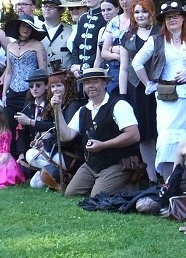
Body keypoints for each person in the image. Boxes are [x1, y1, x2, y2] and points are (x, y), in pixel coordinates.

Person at [131, 1, 186, 180]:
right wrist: (149, 83)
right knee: (167, 138)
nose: (172, 20)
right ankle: (168, 183)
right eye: (168, 17)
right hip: (166, 97)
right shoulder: (156, 41)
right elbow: (136, 63)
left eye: (176, 16)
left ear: (183, 18)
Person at [54, 67, 142, 198]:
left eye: (95, 81)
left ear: (105, 83)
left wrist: (103, 145)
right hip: (92, 164)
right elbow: (66, 136)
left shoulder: (119, 105)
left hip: (117, 163)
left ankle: (130, 187)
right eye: (87, 83)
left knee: (96, 197)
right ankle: (104, 185)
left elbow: (134, 135)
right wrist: (57, 109)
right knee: (70, 193)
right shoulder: (83, 110)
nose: (91, 86)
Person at [117, 0, 160, 179]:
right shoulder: (127, 37)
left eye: (144, 11)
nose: (140, 15)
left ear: (151, 12)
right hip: (136, 89)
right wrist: (122, 95)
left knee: (160, 130)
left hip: (160, 86)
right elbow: (124, 68)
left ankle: (165, 175)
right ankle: (151, 178)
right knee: (143, 133)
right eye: (137, 12)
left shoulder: (161, 32)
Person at [26, 69, 84, 189]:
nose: (55, 89)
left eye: (59, 85)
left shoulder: (73, 106)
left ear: (67, 87)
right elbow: (54, 129)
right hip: (59, 152)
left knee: (30, 154)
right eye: (52, 86)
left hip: (71, 156)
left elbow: (67, 140)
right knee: (35, 184)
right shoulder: (59, 104)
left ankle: (64, 176)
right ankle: (58, 176)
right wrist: (43, 142)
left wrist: (46, 144)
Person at [0, 14, 48, 130]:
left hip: (30, 91)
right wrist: (4, 94)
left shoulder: (38, 45)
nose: (26, 29)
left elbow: (42, 71)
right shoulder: (10, 46)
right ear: (18, 27)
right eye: (23, 26)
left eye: (29, 27)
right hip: (12, 92)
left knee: (27, 127)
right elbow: (9, 71)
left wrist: (40, 92)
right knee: (9, 123)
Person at [70, 0, 112, 84]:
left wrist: (85, 66)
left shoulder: (105, 18)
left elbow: (102, 48)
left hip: (99, 69)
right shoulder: (83, 18)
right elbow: (76, 44)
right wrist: (75, 66)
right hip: (79, 71)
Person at [12, 67, 50, 162]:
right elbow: (21, 133)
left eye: (38, 85)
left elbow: (54, 126)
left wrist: (30, 122)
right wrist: (21, 154)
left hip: (49, 150)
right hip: (31, 150)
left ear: (46, 86)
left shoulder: (52, 104)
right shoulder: (28, 106)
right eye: (31, 86)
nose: (34, 89)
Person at [92, 0, 122, 94]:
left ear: (117, 9)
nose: (106, 13)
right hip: (104, 71)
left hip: (118, 70)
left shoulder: (122, 27)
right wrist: (95, 76)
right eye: (103, 10)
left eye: (109, 9)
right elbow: (98, 57)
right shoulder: (102, 30)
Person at [41, 0, 71, 72]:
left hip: (63, 80)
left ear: (61, 11)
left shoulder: (70, 31)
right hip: (41, 80)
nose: (47, 9)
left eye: (51, 6)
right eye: (45, 6)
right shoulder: (36, 30)